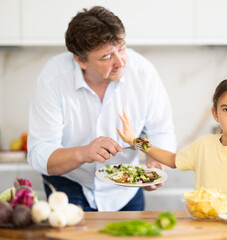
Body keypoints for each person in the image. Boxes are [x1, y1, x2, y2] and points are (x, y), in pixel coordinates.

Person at [27, 6, 176, 212]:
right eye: (106, 57)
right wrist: (83, 153)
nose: (120, 62)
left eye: (122, 48)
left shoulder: (144, 73)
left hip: (127, 190)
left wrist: (156, 166)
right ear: (80, 60)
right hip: (70, 187)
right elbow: (39, 152)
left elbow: (160, 130)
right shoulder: (53, 79)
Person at [118, 78, 227, 209]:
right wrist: (136, 141)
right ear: (215, 114)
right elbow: (172, 160)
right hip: (206, 223)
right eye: (226, 110)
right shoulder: (203, 145)